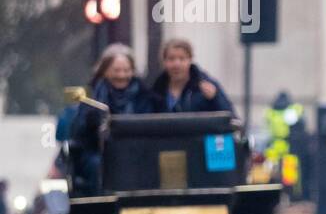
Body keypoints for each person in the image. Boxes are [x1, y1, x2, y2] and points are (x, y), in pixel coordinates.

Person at [71, 44, 155, 192]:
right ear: (105, 71)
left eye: (126, 70)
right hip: (100, 153)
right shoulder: (91, 97)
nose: (121, 75)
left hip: (136, 152)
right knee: (97, 165)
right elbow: (80, 133)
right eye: (116, 70)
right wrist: (92, 120)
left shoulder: (144, 96)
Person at [151, 38, 235, 114]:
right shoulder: (156, 90)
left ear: (190, 60)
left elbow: (230, 118)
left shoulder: (206, 86)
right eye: (171, 59)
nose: (177, 64)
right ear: (164, 61)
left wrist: (214, 98)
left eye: (182, 58)